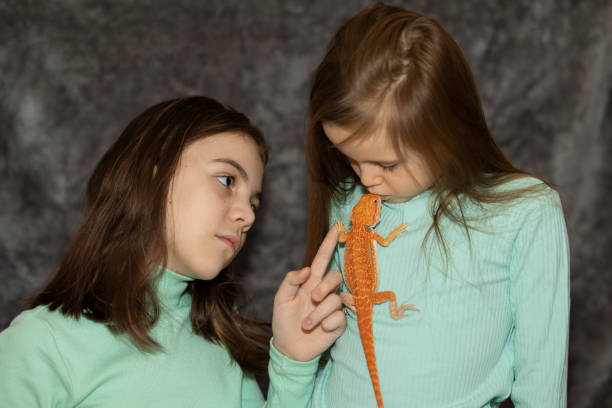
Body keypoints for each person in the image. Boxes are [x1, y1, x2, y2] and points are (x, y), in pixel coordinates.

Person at [0, 96, 346, 407]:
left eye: (254, 202)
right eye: (227, 180)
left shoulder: (222, 343)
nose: (248, 216)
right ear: (155, 175)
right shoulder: (40, 344)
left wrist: (292, 362)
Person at [304, 3, 569, 407]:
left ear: (446, 132)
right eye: (348, 157)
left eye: (387, 163)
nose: (366, 179)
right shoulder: (348, 204)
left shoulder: (526, 213)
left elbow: (541, 384)